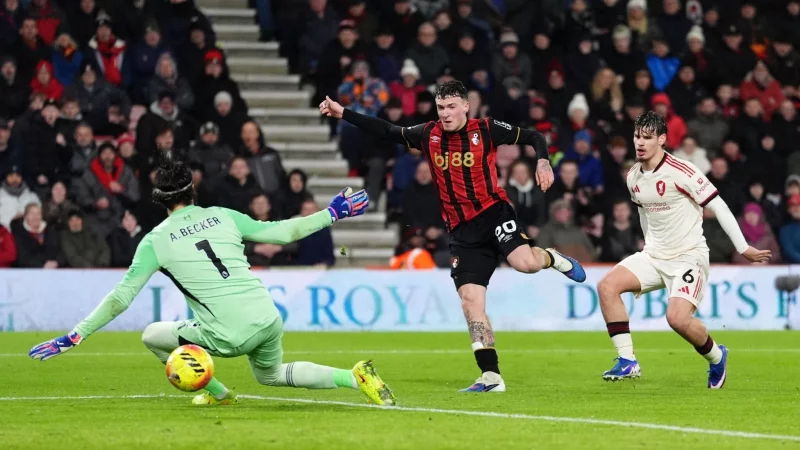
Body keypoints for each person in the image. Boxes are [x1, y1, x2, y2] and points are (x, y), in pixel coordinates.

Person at [28, 159, 396, 408]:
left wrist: (75, 335)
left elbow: (121, 297)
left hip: (227, 335)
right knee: (270, 374)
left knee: (152, 336)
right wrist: (332, 213)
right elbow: (283, 233)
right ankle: (354, 376)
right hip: (267, 317)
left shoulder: (155, 241)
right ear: (193, 193)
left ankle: (217, 392)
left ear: (159, 200)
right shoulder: (222, 215)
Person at [320, 80, 586, 392]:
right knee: (471, 302)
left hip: (494, 213)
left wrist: (542, 160)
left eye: (450, 107)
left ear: (464, 107)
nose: (445, 114)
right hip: (461, 231)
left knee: (525, 264)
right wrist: (344, 114)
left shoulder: (485, 129)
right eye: (440, 108)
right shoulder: (428, 134)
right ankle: (491, 376)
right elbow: (388, 130)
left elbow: (533, 136)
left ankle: (551, 256)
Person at [597, 111, 771, 388]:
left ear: (662, 140)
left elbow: (718, 205)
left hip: (688, 256)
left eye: (647, 137)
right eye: (636, 136)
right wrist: (648, 242)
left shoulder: (682, 171)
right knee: (607, 286)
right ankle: (627, 360)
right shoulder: (633, 176)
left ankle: (716, 356)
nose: (639, 143)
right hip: (654, 255)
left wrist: (743, 246)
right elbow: (644, 213)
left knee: (676, 319)